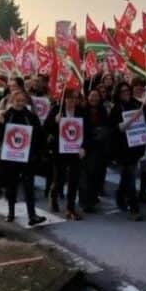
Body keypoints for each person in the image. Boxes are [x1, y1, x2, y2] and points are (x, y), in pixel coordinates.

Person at [0, 90, 47, 227]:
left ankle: (32, 215)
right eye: (17, 100)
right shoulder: (6, 115)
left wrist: (36, 151)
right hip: (10, 158)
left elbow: (40, 136)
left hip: (27, 158)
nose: (19, 103)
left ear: (26, 102)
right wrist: (0, 123)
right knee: (11, 186)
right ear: (12, 101)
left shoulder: (31, 117)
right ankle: (11, 213)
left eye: (22, 100)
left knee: (29, 187)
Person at [109, 80, 146, 221]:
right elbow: (117, 128)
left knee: (127, 176)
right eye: (123, 91)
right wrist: (132, 120)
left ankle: (120, 194)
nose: (126, 93)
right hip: (122, 149)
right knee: (130, 177)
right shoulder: (116, 108)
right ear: (118, 93)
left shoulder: (136, 104)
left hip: (136, 147)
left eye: (128, 91)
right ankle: (134, 209)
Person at [45, 89, 85, 220]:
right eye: (69, 98)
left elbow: (87, 131)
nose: (72, 101)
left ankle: (70, 208)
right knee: (59, 179)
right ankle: (53, 195)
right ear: (64, 99)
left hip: (75, 150)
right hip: (60, 150)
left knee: (74, 179)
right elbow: (46, 127)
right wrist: (54, 122)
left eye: (75, 98)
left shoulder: (80, 112)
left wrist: (84, 147)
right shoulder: (57, 109)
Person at [79, 88, 111, 212]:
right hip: (86, 146)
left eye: (96, 96)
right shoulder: (82, 111)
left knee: (96, 175)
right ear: (88, 97)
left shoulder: (103, 111)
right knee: (85, 176)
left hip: (100, 148)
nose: (94, 98)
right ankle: (85, 202)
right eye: (92, 96)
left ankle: (92, 199)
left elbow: (107, 127)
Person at [130, 77, 146, 203]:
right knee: (133, 166)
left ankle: (143, 192)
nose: (139, 87)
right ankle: (130, 193)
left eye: (141, 85)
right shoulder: (129, 101)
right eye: (136, 85)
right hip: (132, 137)